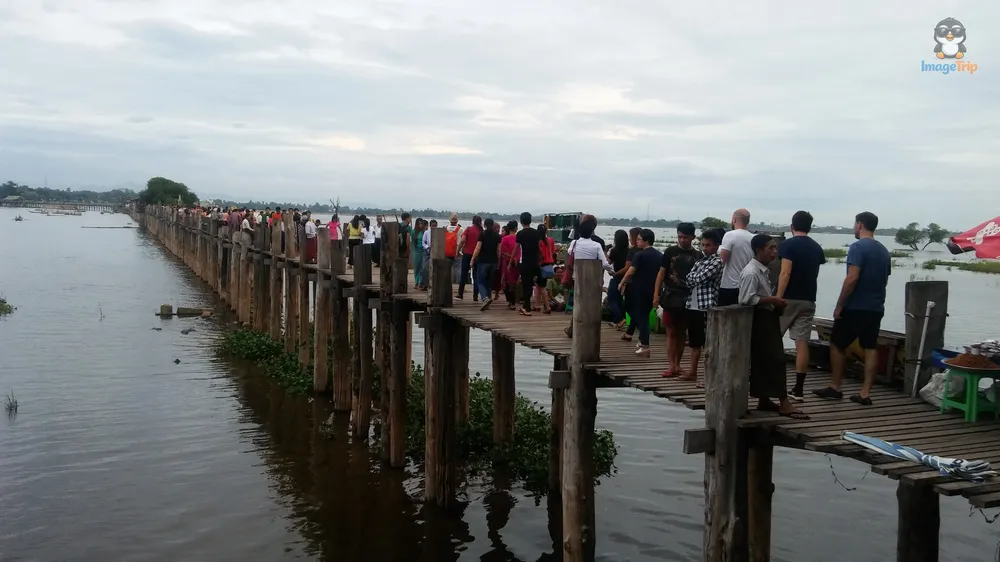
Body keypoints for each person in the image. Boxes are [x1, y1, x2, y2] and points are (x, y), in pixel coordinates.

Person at [813, 211, 891, 406]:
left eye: (855, 224)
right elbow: (885, 279)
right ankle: (865, 392)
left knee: (837, 343)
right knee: (870, 347)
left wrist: (840, 305)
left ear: (860, 225)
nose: (854, 227)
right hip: (876, 306)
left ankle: (836, 386)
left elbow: (852, 278)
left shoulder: (857, 247)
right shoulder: (883, 250)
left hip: (856, 306)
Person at [739, 234, 809, 419]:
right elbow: (745, 299)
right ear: (758, 250)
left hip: (767, 317)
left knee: (765, 361)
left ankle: (764, 399)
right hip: (759, 320)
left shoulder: (763, 269)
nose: (774, 251)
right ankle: (784, 403)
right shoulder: (751, 272)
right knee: (775, 360)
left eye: (775, 247)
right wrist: (772, 299)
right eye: (770, 248)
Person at [776, 211, 826, 400]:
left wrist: (778, 298)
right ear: (810, 226)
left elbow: (785, 274)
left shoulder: (788, 245)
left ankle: (766, 379)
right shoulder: (816, 248)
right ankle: (798, 388)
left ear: (792, 226)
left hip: (789, 298)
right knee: (801, 343)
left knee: (773, 338)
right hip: (808, 299)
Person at [655, 222, 703, 378]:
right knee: (670, 332)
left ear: (693, 238)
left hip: (688, 297)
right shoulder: (670, 251)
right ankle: (671, 365)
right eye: (680, 237)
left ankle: (678, 364)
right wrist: (655, 294)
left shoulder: (698, 255)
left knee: (682, 333)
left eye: (685, 237)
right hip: (670, 296)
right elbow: (661, 274)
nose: (682, 240)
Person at [684, 227, 724, 385]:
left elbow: (699, 277)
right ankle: (692, 372)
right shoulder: (700, 260)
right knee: (694, 342)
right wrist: (693, 277)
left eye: (708, 245)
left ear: (716, 246)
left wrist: (693, 277)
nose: (705, 248)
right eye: (703, 245)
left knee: (708, 344)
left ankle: (709, 377)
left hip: (706, 306)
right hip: (693, 305)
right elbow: (689, 278)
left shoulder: (717, 261)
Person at [562, 214, 615, 335]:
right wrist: (611, 272)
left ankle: (574, 329)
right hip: (592, 279)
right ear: (592, 231)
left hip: (577, 278)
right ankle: (587, 330)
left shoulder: (574, 243)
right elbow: (604, 263)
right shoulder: (597, 245)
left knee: (578, 303)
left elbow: (570, 254)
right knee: (591, 304)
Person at [618, 229, 661, 357]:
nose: (637, 241)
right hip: (652, 289)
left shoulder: (640, 255)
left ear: (646, 241)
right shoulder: (659, 255)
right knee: (643, 316)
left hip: (639, 289)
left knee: (642, 318)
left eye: (639, 239)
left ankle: (645, 346)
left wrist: (622, 282)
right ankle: (640, 340)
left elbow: (631, 271)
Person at [718, 208, 754, 306]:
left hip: (729, 285)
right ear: (748, 221)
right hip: (747, 285)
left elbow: (722, 260)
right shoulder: (753, 237)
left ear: (734, 219)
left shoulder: (730, 235)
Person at [510, 212, 541, 316]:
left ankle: (527, 308)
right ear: (531, 220)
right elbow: (539, 247)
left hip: (525, 262)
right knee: (532, 284)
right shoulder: (536, 233)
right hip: (535, 262)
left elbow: (516, 248)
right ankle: (525, 307)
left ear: (521, 221)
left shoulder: (520, 234)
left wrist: (510, 261)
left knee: (526, 284)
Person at [470, 218, 501, 311]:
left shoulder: (482, 234)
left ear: (485, 225)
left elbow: (478, 248)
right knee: (488, 282)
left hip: (483, 261)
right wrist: (498, 262)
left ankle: (485, 298)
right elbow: (498, 251)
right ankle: (488, 301)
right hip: (493, 262)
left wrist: (472, 259)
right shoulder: (497, 236)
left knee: (480, 281)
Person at [607, 230, 631, 329]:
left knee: (611, 299)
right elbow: (627, 267)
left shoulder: (614, 250)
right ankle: (618, 321)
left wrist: (614, 273)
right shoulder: (629, 251)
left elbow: (608, 262)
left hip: (617, 277)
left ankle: (620, 318)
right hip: (626, 278)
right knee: (620, 300)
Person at [458, 215, 482, 301]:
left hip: (467, 254)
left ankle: (460, 293)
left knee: (463, 274)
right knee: (476, 276)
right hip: (478, 255)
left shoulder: (468, 229)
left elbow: (462, 240)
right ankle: (475, 296)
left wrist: (458, 251)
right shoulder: (482, 231)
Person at [536, 224, 557, 313]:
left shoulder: (538, 241)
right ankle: (537, 305)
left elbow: (540, 254)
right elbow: (553, 252)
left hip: (542, 265)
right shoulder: (551, 240)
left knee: (542, 287)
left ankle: (547, 307)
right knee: (539, 285)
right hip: (550, 265)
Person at [499, 222, 519, 309]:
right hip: (518, 262)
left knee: (508, 282)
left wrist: (510, 257)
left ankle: (511, 302)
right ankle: (512, 302)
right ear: (515, 228)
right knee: (514, 282)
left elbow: (502, 251)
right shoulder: (519, 237)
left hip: (508, 262)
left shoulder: (505, 239)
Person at [419, 219, 437, 290]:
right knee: (425, 268)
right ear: (430, 226)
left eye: (435, 226)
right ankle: (424, 284)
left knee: (435, 269)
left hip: (436, 251)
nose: (434, 227)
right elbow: (423, 243)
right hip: (427, 251)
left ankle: (434, 285)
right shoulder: (426, 232)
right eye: (432, 226)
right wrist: (427, 247)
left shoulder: (439, 232)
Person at [444, 213, 463, 283]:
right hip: (457, 251)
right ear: (457, 221)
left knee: (447, 269)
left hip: (447, 251)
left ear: (450, 221)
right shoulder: (460, 229)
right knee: (458, 269)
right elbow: (463, 241)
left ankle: (446, 283)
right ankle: (459, 285)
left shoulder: (446, 228)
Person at [411, 218, 425, 288]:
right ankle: (416, 282)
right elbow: (413, 242)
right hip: (416, 251)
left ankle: (420, 282)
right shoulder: (413, 232)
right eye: (419, 224)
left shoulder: (424, 232)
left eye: (421, 223)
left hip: (423, 250)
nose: (420, 225)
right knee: (417, 267)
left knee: (423, 267)